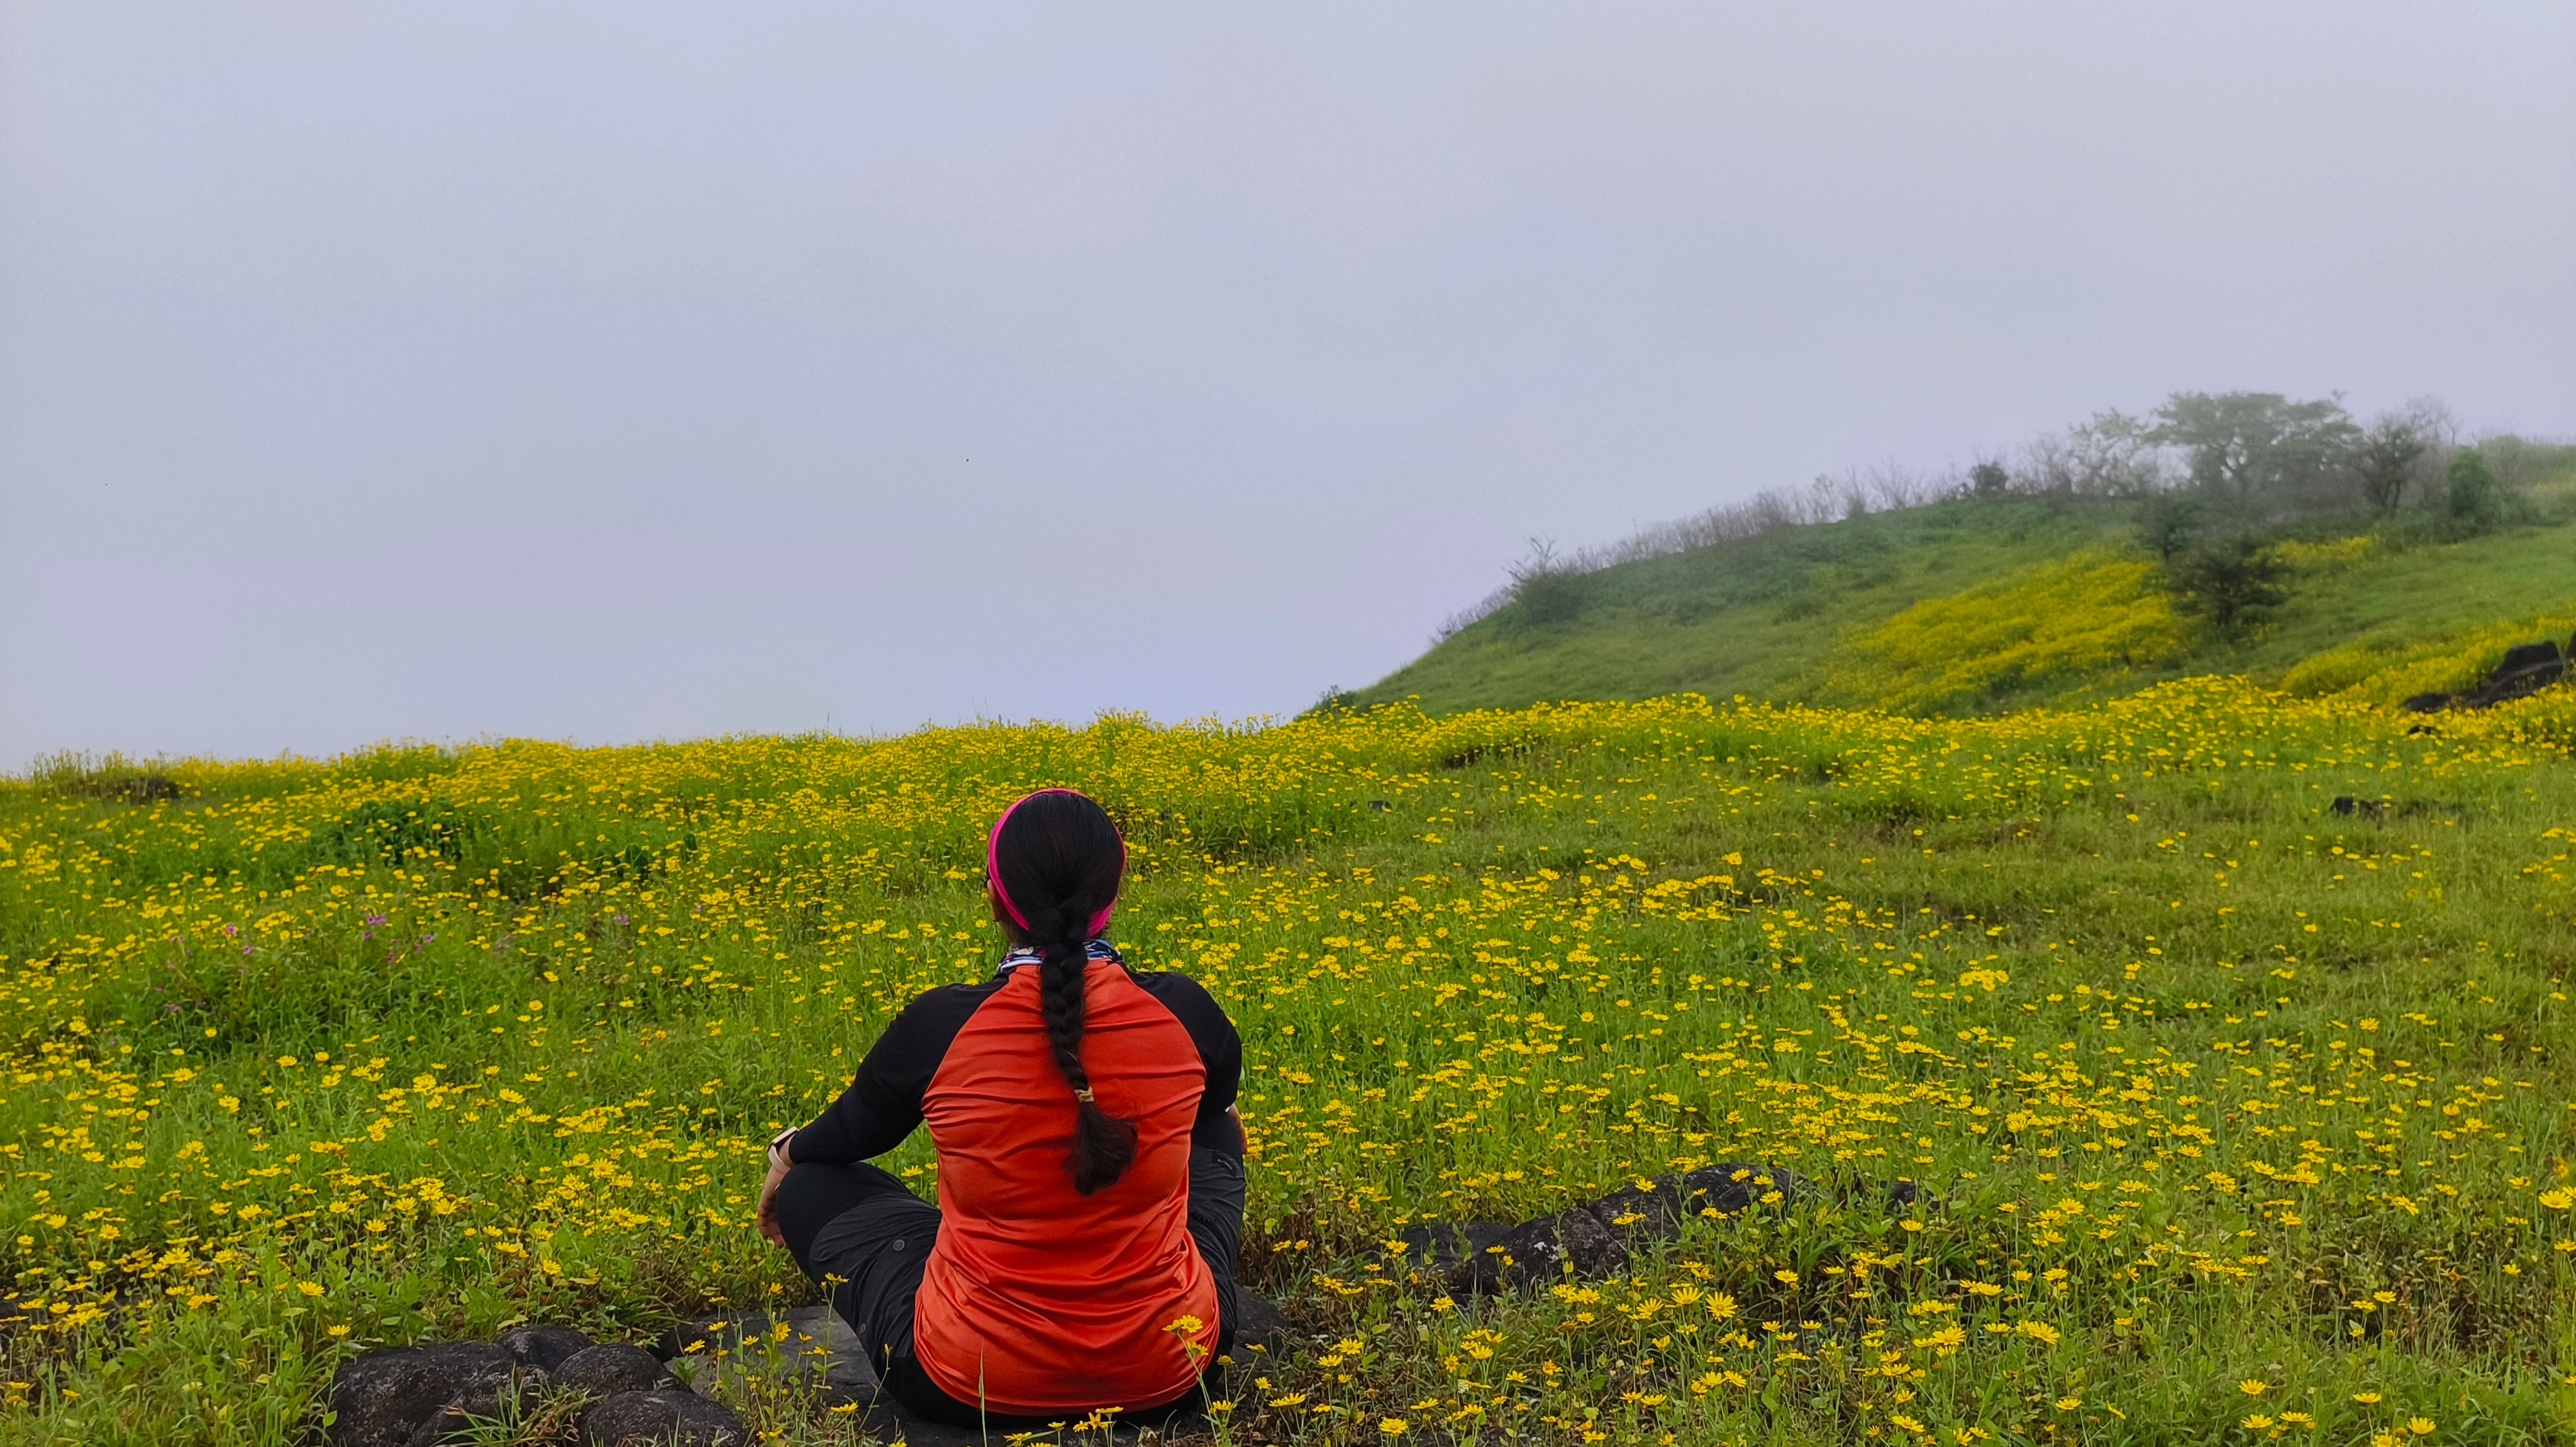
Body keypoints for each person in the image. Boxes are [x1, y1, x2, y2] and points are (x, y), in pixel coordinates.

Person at [755, 788, 1246, 1429]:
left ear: (993, 896)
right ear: (1115, 894)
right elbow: (1218, 1113)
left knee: (811, 1183)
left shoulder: (938, 1026)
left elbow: (845, 1136)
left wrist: (784, 1154)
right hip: (1175, 1369)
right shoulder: (1185, 1011)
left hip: (969, 1383)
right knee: (1215, 1117)